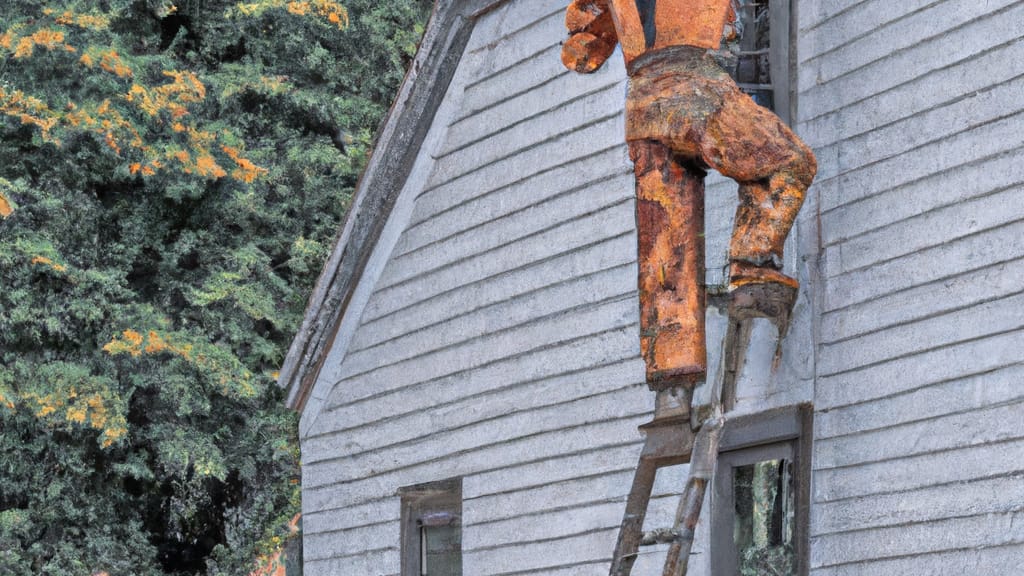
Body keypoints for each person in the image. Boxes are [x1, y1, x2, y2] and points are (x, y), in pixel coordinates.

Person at [561, 0, 816, 385]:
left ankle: (672, 384)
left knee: (667, 256)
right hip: (696, 88)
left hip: (643, 109)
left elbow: (582, 56)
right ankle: (752, 267)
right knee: (787, 162)